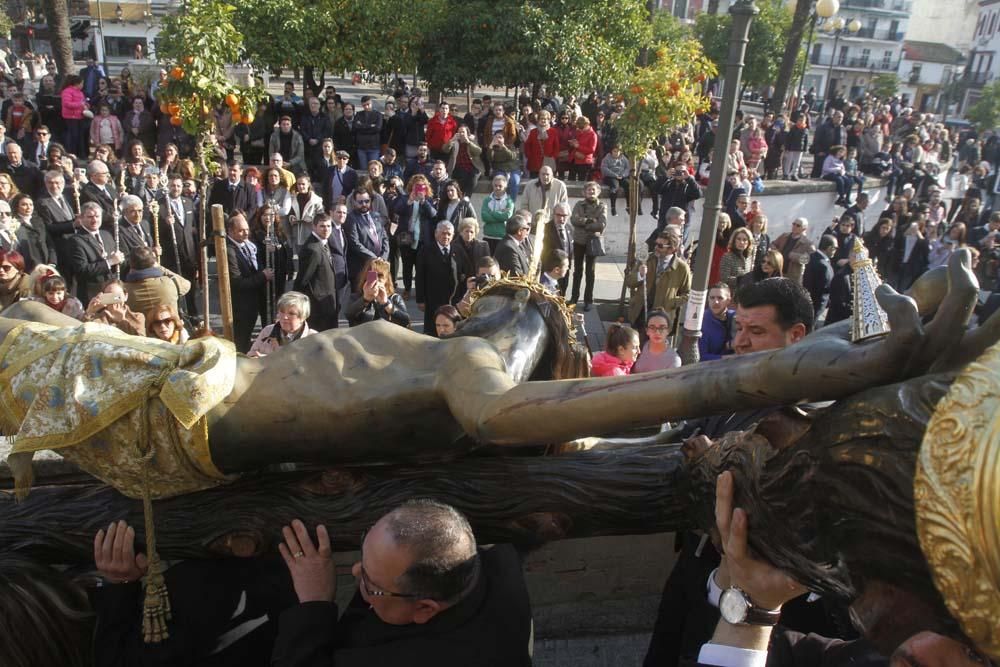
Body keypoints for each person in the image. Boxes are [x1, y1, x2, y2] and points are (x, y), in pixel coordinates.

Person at [270, 500, 532, 666]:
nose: (355, 571)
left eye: (372, 584)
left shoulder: (407, 659)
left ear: (424, 609)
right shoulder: (496, 557)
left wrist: (313, 604)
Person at [225, 211, 275, 353]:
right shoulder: (229, 251)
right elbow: (237, 282)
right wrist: (262, 276)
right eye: (240, 231)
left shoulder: (248, 245)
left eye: (247, 230)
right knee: (241, 340)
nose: (246, 234)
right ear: (230, 231)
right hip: (241, 306)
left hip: (253, 302)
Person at [628, 226, 691, 333]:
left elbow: (687, 293)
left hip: (662, 316)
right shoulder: (646, 259)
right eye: (656, 243)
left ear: (672, 249)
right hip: (641, 312)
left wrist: (671, 302)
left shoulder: (682, 268)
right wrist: (640, 275)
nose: (656, 247)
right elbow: (629, 282)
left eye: (660, 246)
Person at [293, 213, 341, 332]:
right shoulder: (312, 249)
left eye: (329, 226)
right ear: (314, 227)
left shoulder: (323, 243)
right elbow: (303, 280)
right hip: (319, 309)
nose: (326, 229)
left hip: (328, 304)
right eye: (322, 226)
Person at [68, 201, 122, 303]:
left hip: (112, 287)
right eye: (90, 217)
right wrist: (110, 262)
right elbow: (82, 271)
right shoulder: (75, 240)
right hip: (93, 293)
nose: (94, 220)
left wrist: (119, 260)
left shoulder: (106, 235)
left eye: (97, 216)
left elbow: (115, 261)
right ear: (81, 218)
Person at [416, 221, 459, 336]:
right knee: (432, 331)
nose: (446, 236)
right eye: (443, 233)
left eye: (449, 234)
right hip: (432, 299)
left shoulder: (457, 250)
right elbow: (420, 276)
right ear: (436, 234)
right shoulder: (425, 251)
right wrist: (420, 299)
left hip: (452, 299)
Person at [122, 245, 191, 317]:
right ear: (153, 262)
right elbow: (187, 285)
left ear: (131, 265)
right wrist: (159, 267)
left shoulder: (125, 291)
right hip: (169, 326)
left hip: (140, 328)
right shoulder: (170, 282)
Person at [569, 181, 607, 310]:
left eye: (594, 190)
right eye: (589, 190)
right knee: (577, 271)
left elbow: (601, 224)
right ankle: (574, 298)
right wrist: (590, 221)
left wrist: (584, 224)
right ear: (584, 192)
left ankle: (588, 300)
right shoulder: (579, 204)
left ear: (598, 192)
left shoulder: (602, 206)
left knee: (590, 272)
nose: (591, 192)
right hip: (579, 241)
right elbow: (573, 219)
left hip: (593, 242)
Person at [345, 257, 409, 328]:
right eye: (372, 276)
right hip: (364, 337)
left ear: (386, 279)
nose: (376, 279)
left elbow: (405, 321)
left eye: (380, 275)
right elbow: (349, 315)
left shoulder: (395, 298)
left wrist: (386, 304)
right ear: (366, 277)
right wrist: (365, 300)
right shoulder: (356, 297)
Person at [248, 291, 316, 358]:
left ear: (303, 317)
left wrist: (268, 360)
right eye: (282, 312)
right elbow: (251, 356)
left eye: (291, 313)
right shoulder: (267, 331)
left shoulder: (313, 338)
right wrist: (255, 358)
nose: (284, 317)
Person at [345, 184, 390, 285]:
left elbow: (384, 237)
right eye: (360, 202)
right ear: (354, 202)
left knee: (380, 291)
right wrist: (374, 257)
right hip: (363, 265)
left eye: (367, 201)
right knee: (366, 293)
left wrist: (383, 256)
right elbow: (354, 243)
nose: (364, 204)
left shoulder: (376, 215)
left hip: (380, 264)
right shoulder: (351, 219)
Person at [633, 308, 682, 372]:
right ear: (647, 330)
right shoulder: (638, 349)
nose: (657, 332)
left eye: (662, 328)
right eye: (652, 327)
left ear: (668, 331)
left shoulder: (673, 360)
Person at [802, 234, 837, 320]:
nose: (835, 251)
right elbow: (823, 292)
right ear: (830, 248)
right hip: (816, 307)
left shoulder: (812, 257)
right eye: (835, 248)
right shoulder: (823, 265)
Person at [698, 283, 735, 361]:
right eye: (712, 298)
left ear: (728, 301)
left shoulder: (735, 317)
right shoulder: (701, 322)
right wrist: (728, 359)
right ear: (708, 299)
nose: (716, 302)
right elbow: (700, 357)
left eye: (720, 298)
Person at [770, 219, 813, 284]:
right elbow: (773, 244)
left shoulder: (807, 243)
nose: (794, 226)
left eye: (798, 225)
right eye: (793, 224)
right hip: (777, 271)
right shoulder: (784, 236)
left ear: (804, 229)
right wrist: (776, 251)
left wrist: (792, 255)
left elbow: (808, 259)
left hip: (792, 276)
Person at [480, 173, 514, 254]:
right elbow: (484, 217)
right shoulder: (487, 200)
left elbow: (506, 216)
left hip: (502, 237)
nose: (497, 188)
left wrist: (491, 213)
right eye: (495, 185)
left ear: (505, 187)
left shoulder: (509, 201)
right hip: (488, 236)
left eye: (500, 186)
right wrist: (500, 214)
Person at [718, 226, 755, 294]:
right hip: (730, 294)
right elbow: (724, 279)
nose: (741, 242)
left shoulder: (749, 257)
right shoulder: (727, 256)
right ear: (734, 240)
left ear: (749, 242)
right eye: (738, 239)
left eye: (744, 240)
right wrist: (741, 279)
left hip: (744, 294)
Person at [600, 144, 631, 216]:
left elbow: (627, 168)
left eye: (618, 151)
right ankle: (613, 208)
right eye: (615, 151)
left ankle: (628, 206)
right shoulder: (607, 158)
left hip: (621, 176)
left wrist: (623, 175)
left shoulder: (624, 158)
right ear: (611, 151)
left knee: (629, 185)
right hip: (610, 176)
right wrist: (615, 175)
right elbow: (604, 169)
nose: (616, 153)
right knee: (615, 187)